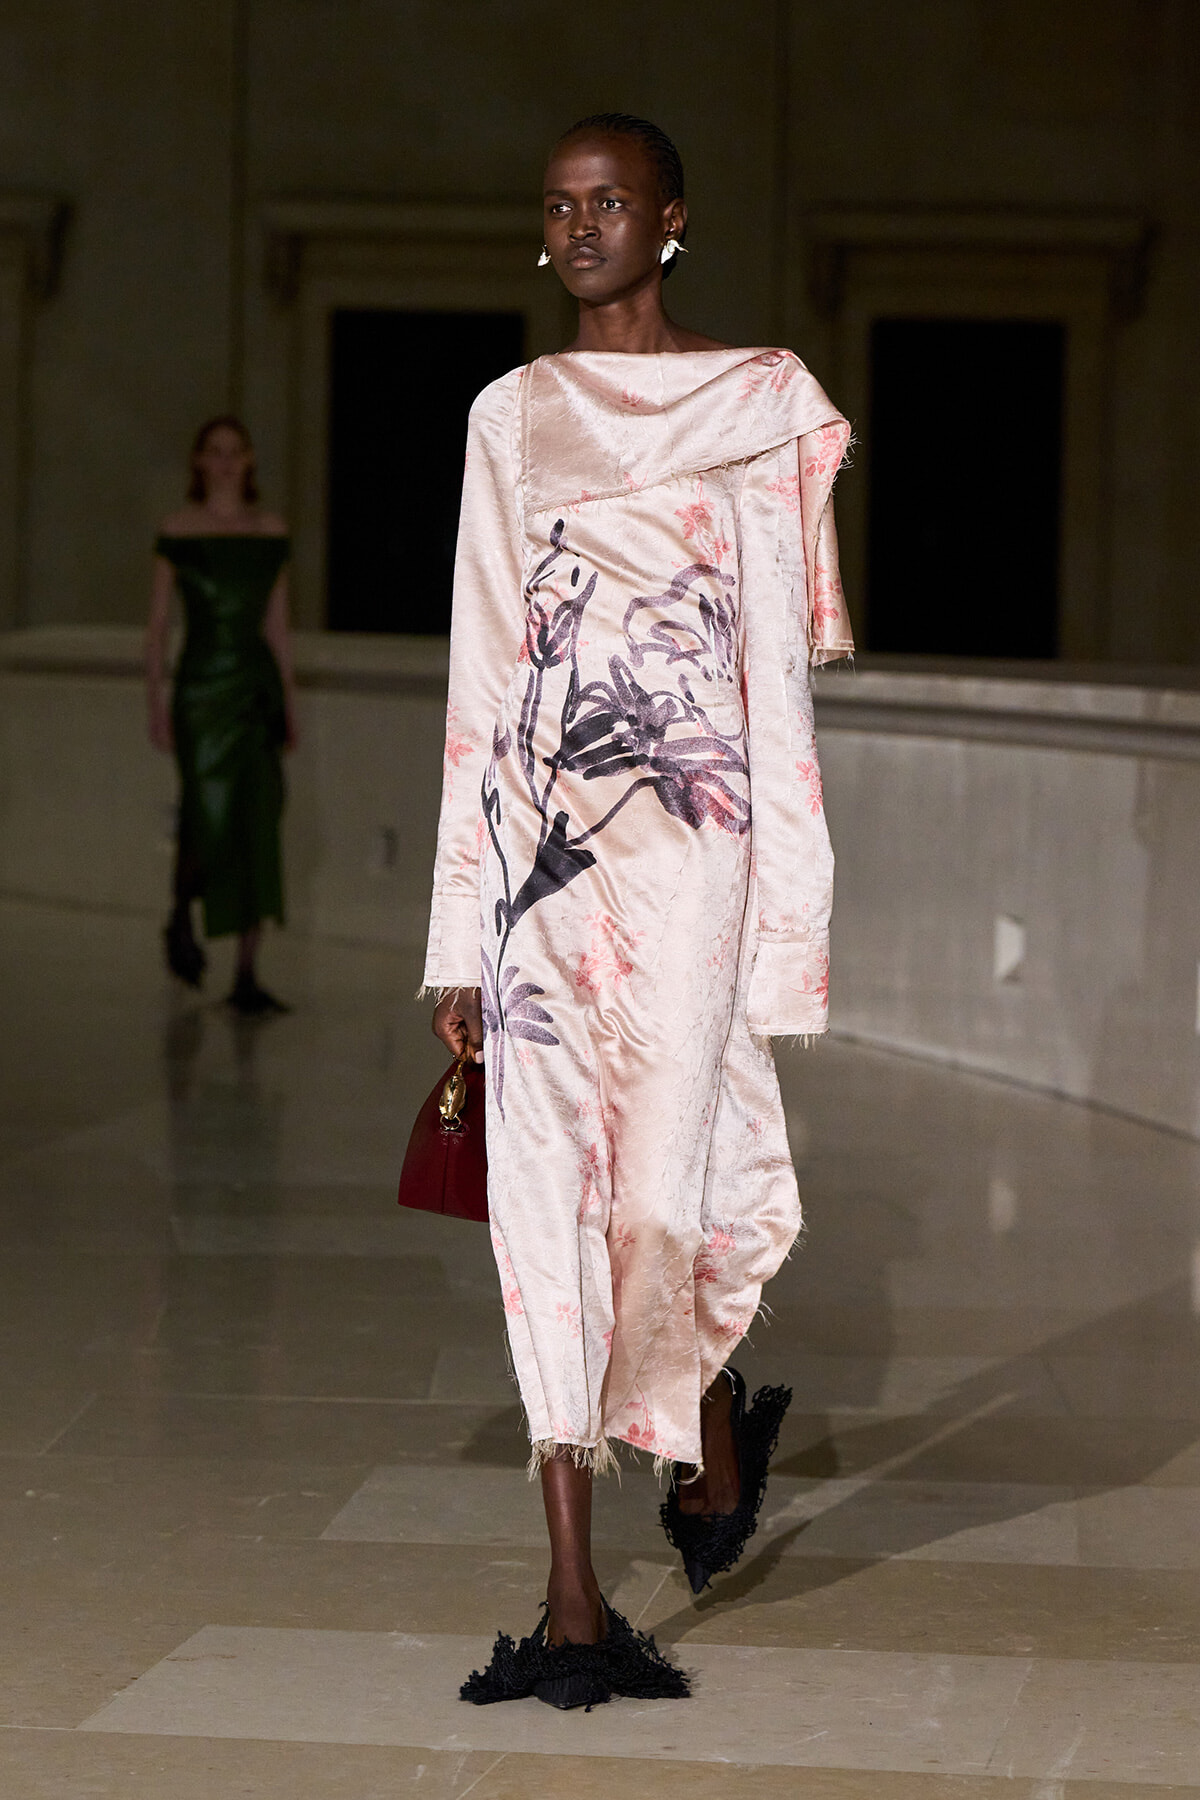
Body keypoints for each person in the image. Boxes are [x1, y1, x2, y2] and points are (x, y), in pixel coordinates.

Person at [425, 113, 853, 1710]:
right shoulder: (509, 417)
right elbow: (482, 666)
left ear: (671, 218)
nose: (582, 225)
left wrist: (780, 900)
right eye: (557, 206)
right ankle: (571, 1600)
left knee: (662, 1198)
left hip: (693, 858)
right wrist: (460, 928)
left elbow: (775, 679)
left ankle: (712, 1399)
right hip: (545, 860)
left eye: (610, 202)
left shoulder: (755, 404)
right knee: (543, 1207)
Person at [146, 416, 296, 1015]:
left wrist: (288, 702)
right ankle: (181, 916)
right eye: (216, 451)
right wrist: (153, 702)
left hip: (254, 691)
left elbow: (277, 626)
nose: (228, 462)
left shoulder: (270, 531)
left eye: (237, 451)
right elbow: (157, 629)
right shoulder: (178, 530)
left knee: (258, 821)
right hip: (202, 693)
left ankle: (246, 973)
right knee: (205, 818)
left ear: (251, 460)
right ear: (200, 461)